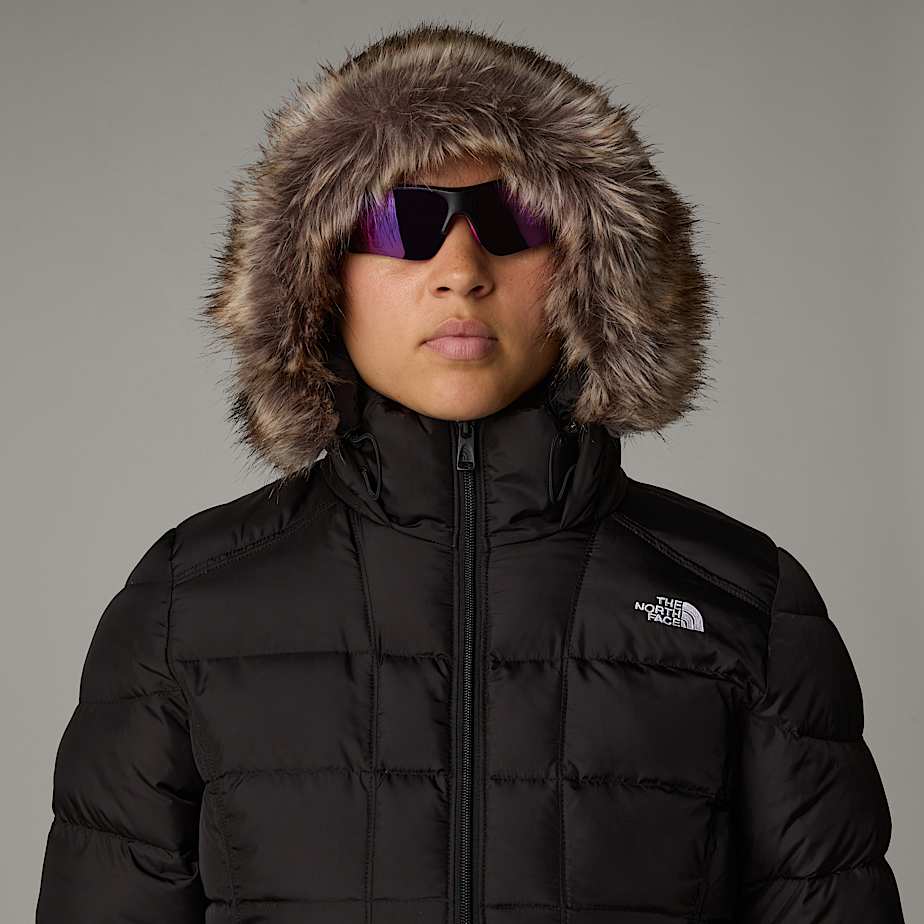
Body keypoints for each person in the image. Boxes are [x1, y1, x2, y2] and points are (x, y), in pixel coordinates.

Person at [35, 20, 905, 924]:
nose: (460, 270)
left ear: (591, 268)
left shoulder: (743, 602)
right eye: (400, 222)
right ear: (318, 275)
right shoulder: (186, 605)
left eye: (512, 218)